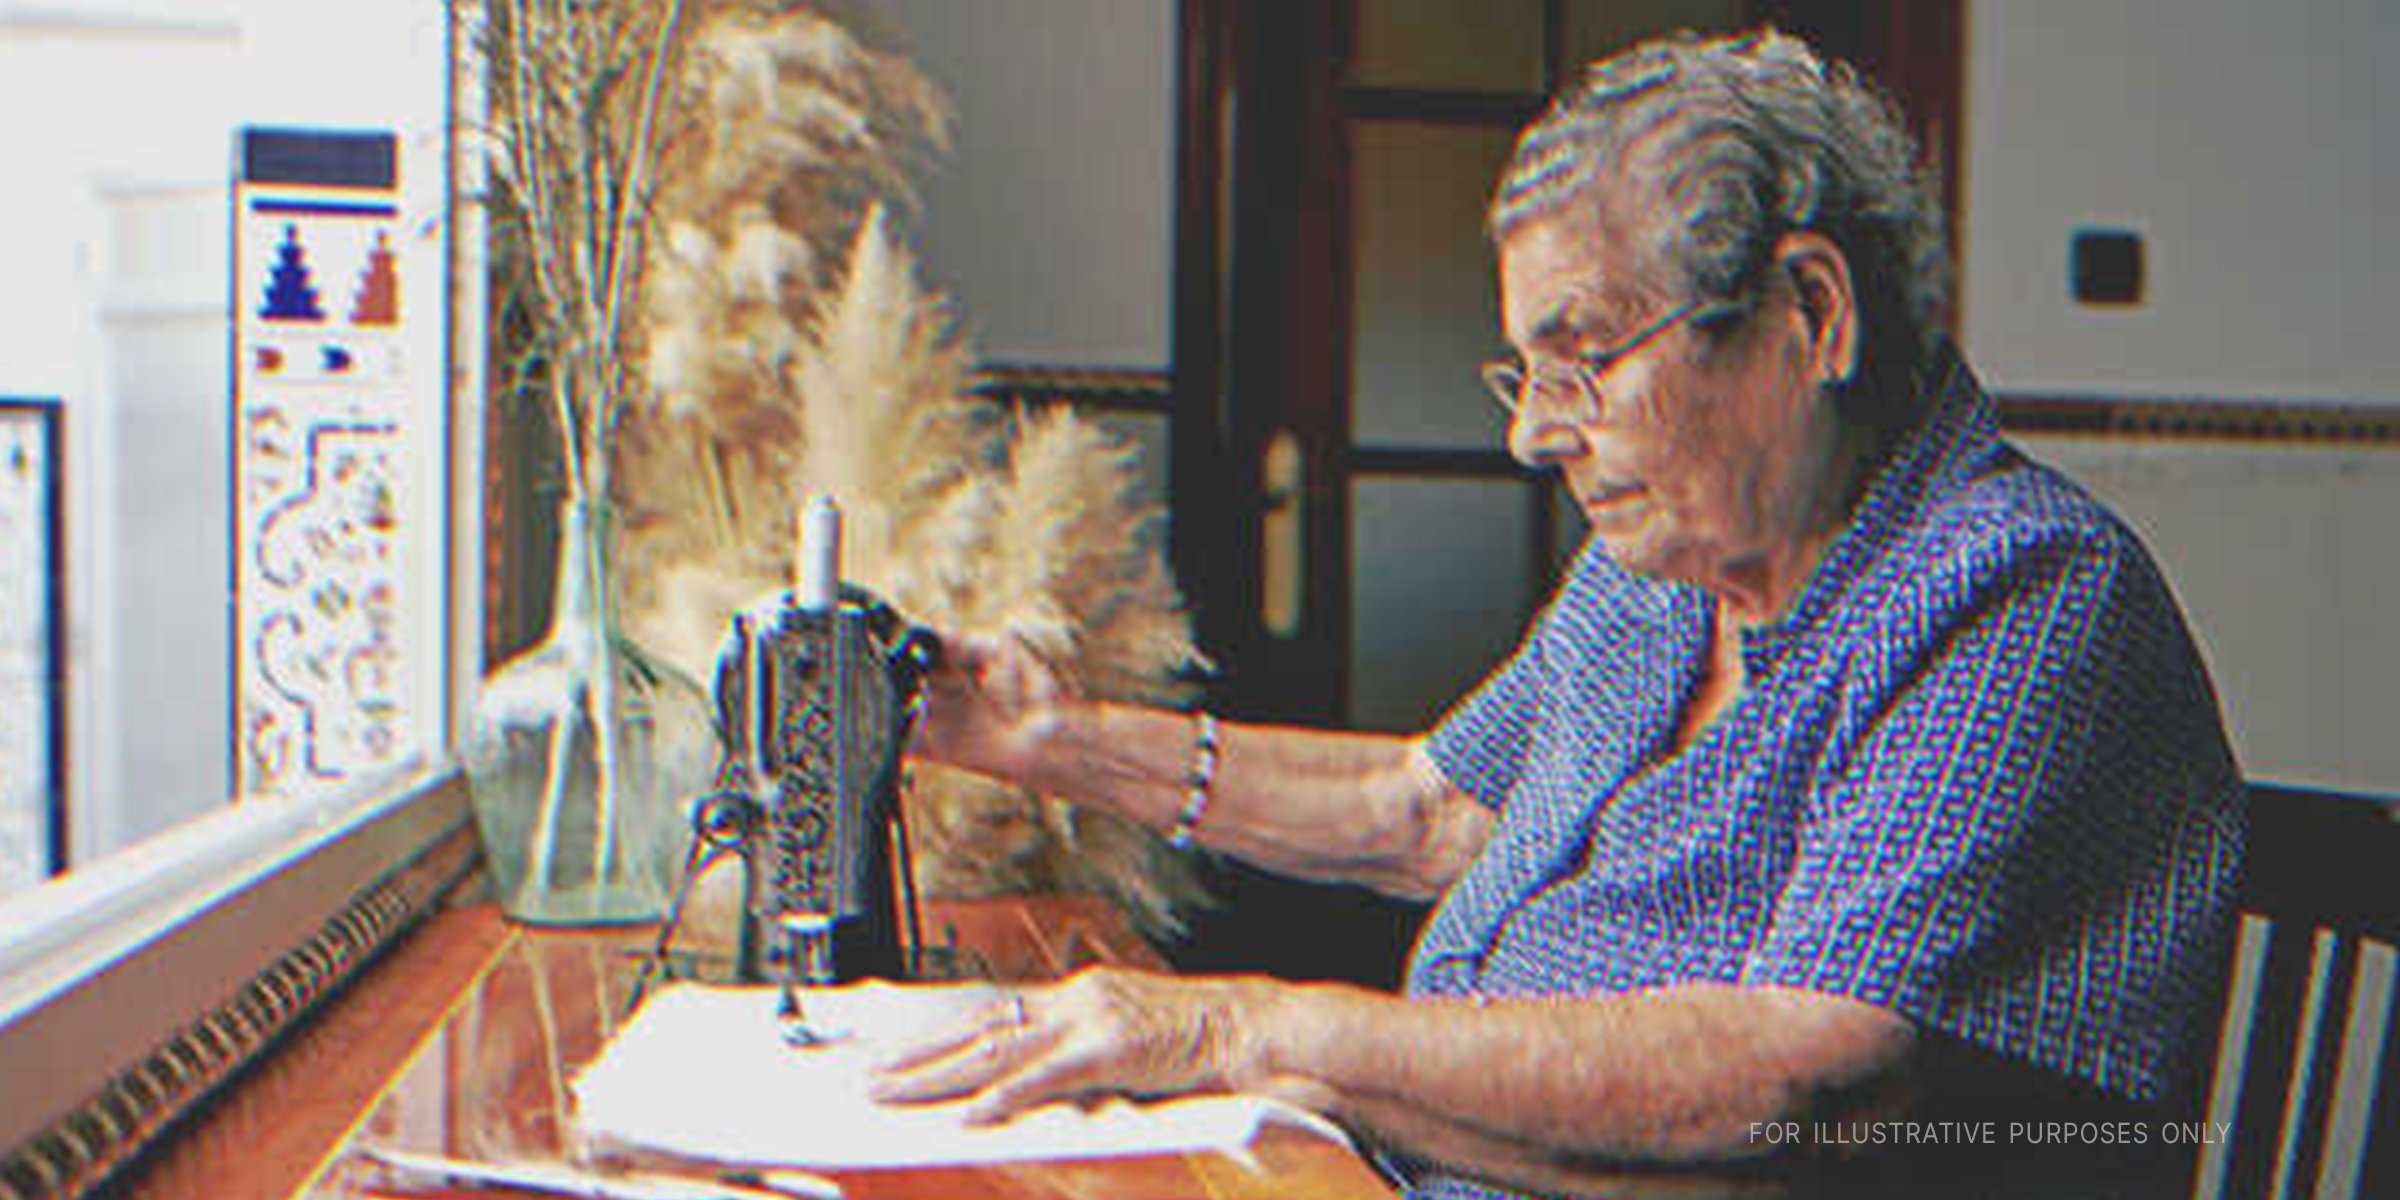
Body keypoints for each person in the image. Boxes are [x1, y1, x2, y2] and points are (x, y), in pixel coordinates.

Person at [871, 27, 2244, 1200]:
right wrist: (1049, 739)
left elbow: (1797, 1079)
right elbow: (1431, 812)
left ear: (1809, 312)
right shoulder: (1670, 573)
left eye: (1585, 360)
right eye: (1522, 373)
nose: (1536, 434)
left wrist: (1248, 1029)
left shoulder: (2018, 594)